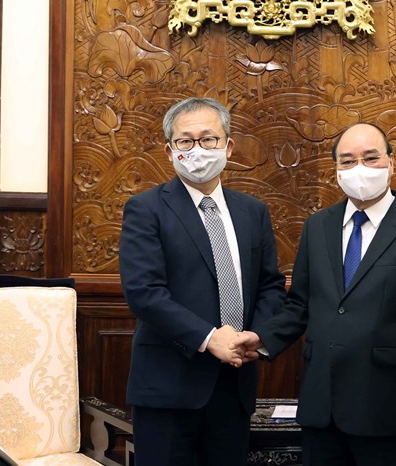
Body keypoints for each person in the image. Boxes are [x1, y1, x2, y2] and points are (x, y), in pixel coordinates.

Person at [233, 123, 396, 466]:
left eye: (370, 158)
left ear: (391, 163)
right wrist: (261, 339)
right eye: (347, 161)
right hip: (322, 410)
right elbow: (299, 305)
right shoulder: (317, 226)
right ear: (336, 168)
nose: (359, 169)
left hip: (388, 414)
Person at [119, 97, 286, 466]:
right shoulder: (145, 209)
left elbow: (270, 285)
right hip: (168, 388)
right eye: (185, 141)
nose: (197, 149)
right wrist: (210, 338)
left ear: (228, 146)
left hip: (235, 383)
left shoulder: (253, 212)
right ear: (169, 150)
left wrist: (255, 336)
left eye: (208, 139)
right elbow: (144, 293)